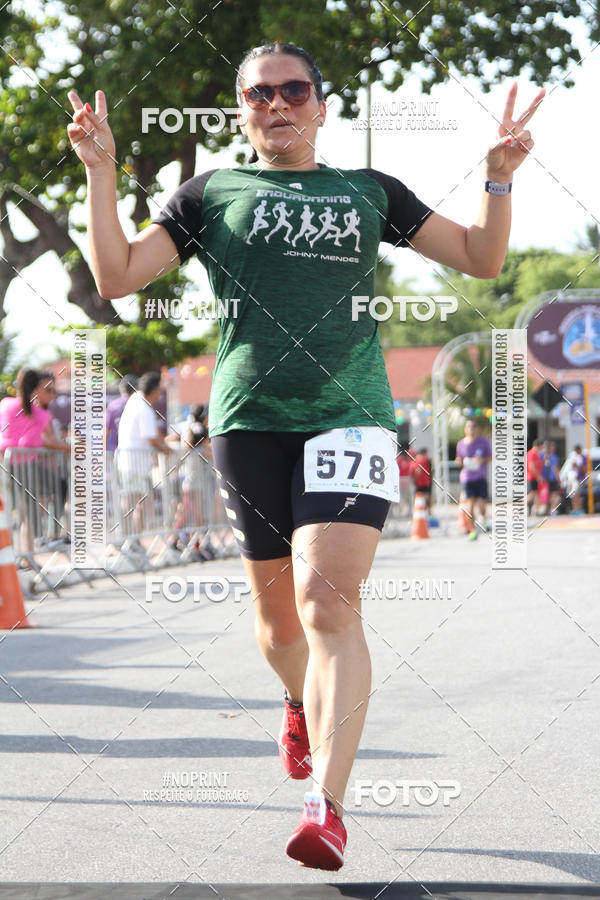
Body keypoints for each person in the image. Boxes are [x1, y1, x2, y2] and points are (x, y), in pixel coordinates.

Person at [67, 41, 543, 871]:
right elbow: (116, 276)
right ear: (242, 110)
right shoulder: (209, 193)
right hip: (248, 418)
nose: (278, 104)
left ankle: (326, 802)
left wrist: (499, 175)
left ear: (322, 107)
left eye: (294, 91)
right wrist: (100, 173)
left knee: (329, 607)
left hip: (351, 415)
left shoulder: (370, 191)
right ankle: (297, 699)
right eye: (260, 94)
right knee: (280, 623)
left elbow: (481, 257)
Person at [0, 368, 68, 556]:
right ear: (37, 388)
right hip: (26, 464)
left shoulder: (6, 404)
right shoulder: (40, 414)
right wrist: (72, 449)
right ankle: (39, 545)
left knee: (29, 510)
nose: (52, 395)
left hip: (10, 464)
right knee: (40, 503)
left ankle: (31, 549)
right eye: (48, 390)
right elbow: (39, 441)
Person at [116, 372, 171, 535]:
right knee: (133, 502)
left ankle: (133, 540)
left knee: (137, 502)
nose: (160, 395)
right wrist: (166, 449)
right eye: (159, 390)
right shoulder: (142, 406)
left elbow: (153, 434)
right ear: (153, 390)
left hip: (132, 463)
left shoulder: (136, 402)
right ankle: (128, 540)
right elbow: (151, 437)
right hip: (134, 465)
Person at [455, 420, 493, 540]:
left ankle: (483, 520)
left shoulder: (483, 442)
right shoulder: (461, 444)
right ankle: (472, 530)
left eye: (474, 427)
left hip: (481, 477)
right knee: (469, 506)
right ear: (466, 429)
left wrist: (482, 460)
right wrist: (459, 462)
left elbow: (490, 457)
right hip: (467, 479)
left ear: (477, 429)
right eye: (469, 427)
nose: (472, 429)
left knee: (482, 505)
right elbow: (458, 458)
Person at [106, 374, 138, 451]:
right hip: (134, 451)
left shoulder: (112, 405)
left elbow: (106, 430)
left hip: (115, 451)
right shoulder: (138, 404)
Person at [564, 444, 586, 515]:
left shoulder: (581, 457)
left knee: (576, 494)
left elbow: (583, 468)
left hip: (578, 478)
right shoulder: (574, 457)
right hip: (573, 478)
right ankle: (576, 509)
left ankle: (578, 509)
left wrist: (578, 466)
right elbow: (572, 467)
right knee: (574, 494)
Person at [540, 440, 560, 515]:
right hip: (545, 479)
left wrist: (558, 478)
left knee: (553, 495)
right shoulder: (542, 456)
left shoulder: (553, 456)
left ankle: (552, 509)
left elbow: (555, 468)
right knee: (545, 495)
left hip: (551, 479)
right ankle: (544, 509)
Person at [526, 438, 544, 515]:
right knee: (532, 493)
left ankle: (535, 510)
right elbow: (531, 467)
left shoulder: (537, 455)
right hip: (532, 477)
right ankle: (520, 506)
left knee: (537, 494)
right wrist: (538, 476)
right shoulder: (531, 454)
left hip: (535, 477)